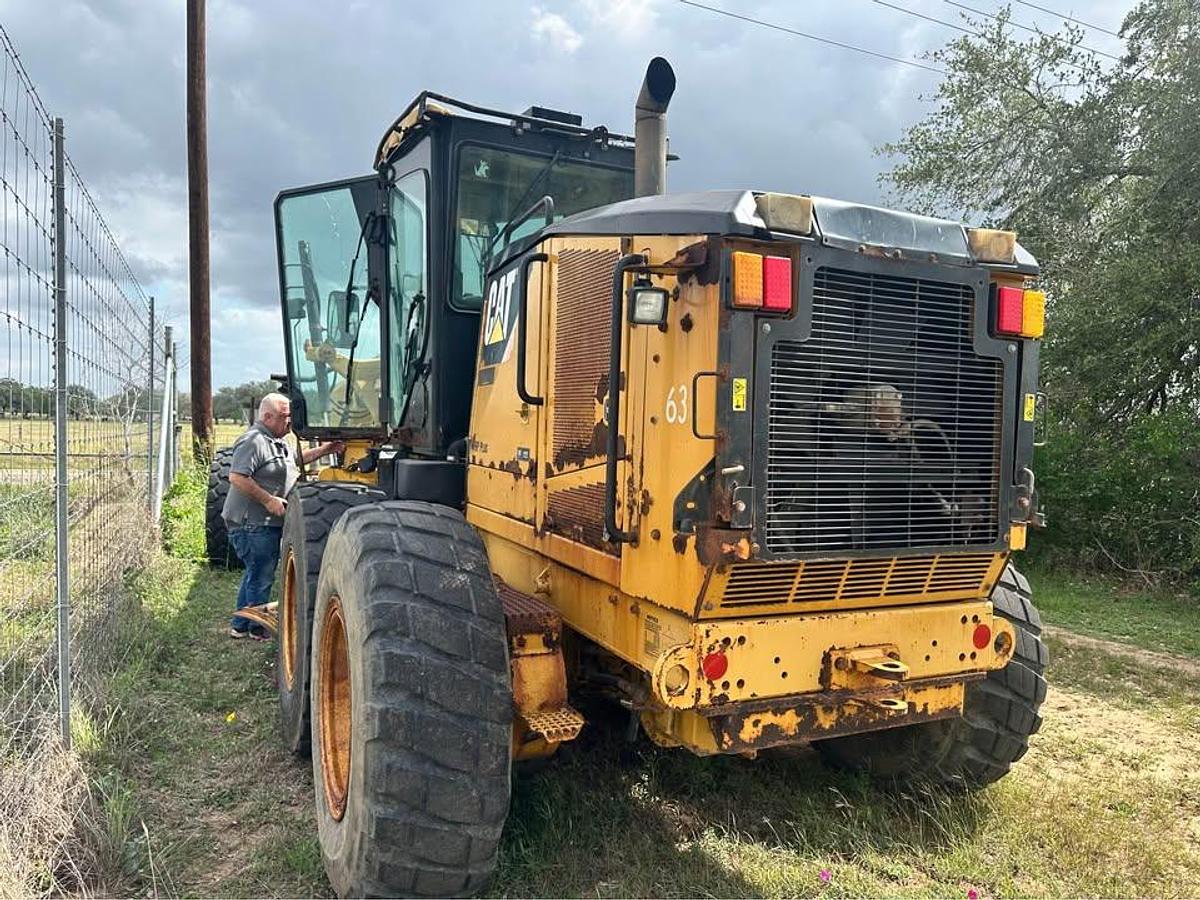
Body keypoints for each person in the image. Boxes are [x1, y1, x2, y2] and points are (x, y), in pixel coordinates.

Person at [221, 392, 344, 640]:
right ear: (268, 417)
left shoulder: (276, 440)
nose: (290, 422)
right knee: (261, 575)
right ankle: (257, 629)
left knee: (255, 572)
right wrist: (268, 500)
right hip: (251, 523)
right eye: (285, 417)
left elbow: (293, 461)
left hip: (262, 523)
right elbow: (237, 476)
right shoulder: (253, 440)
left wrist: (326, 450)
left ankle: (241, 625)